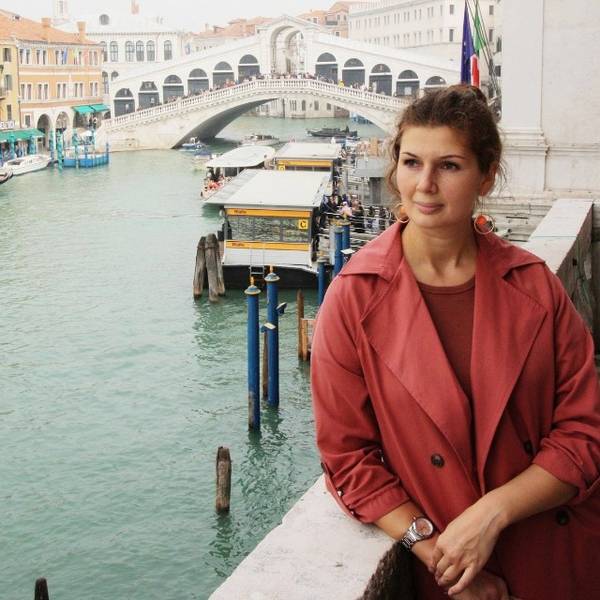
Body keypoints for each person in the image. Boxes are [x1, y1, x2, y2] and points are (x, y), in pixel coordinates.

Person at [311, 85, 600, 600]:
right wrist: (435, 553)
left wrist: (494, 511)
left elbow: (585, 430)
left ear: (486, 175)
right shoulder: (353, 297)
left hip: (559, 559)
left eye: (448, 166)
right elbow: (348, 457)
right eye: (411, 162)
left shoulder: (535, 286)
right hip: (448, 578)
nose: (424, 184)